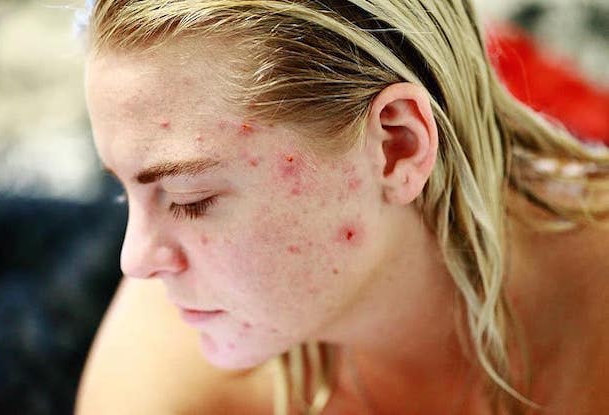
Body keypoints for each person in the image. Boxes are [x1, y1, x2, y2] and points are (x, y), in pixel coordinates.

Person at [74, 1, 609, 414]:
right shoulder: (172, 356)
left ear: (398, 146)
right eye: (125, 188)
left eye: (193, 199)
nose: (135, 260)